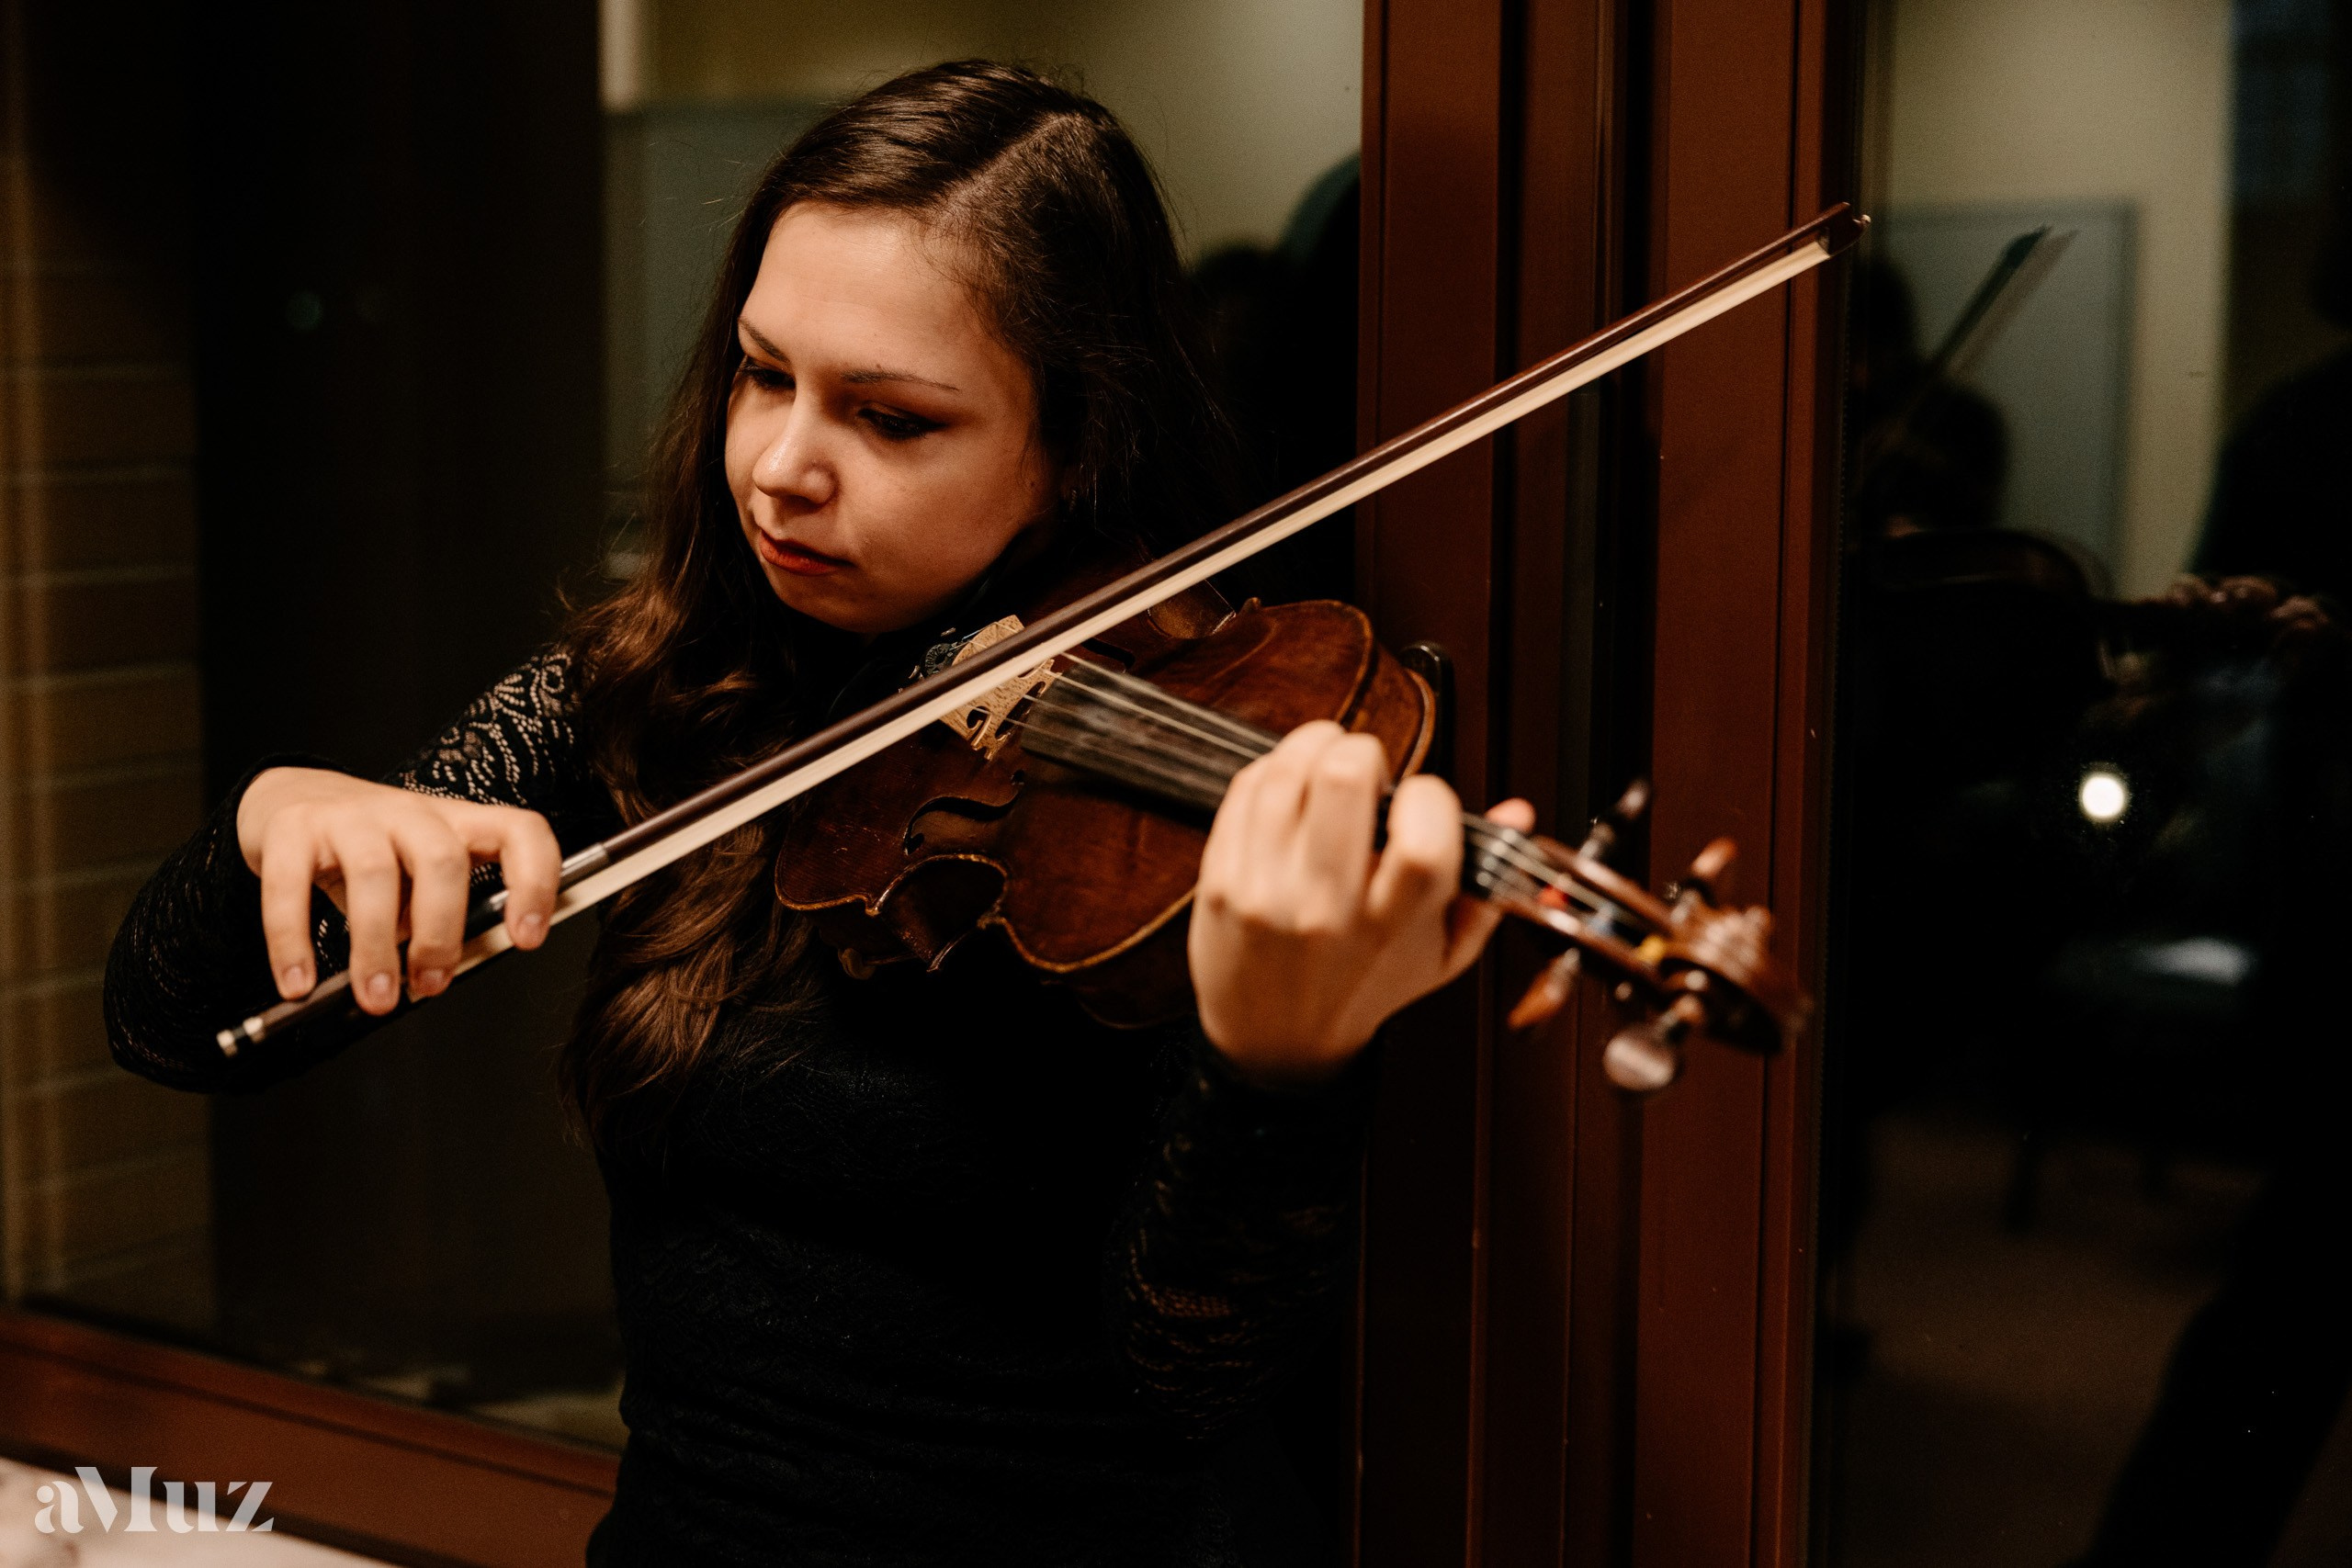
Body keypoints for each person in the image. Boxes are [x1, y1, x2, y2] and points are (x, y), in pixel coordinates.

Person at [104, 61, 1529, 1567]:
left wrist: (1276, 1070)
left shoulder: (1178, 797)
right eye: (761, 373)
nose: (782, 468)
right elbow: (168, 1027)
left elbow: (1191, 1377)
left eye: (891, 419)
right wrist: (276, 819)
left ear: (1078, 448)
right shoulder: (659, 693)